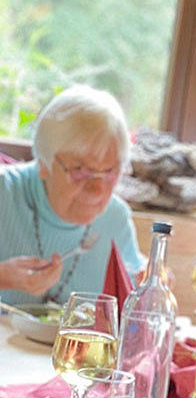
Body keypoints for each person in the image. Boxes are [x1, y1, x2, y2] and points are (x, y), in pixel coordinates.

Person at [0, 85, 146, 306]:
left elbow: (135, 299)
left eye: (110, 171)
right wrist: (4, 277)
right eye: (80, 170)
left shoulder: (116, 219)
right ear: (43, 163)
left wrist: (151, 286)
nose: (97, 189)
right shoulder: (5, 192)